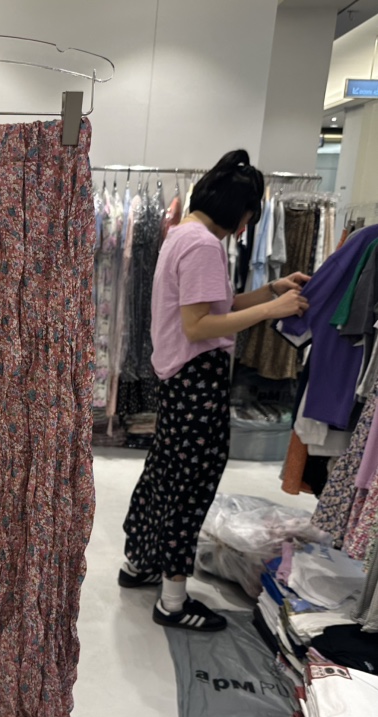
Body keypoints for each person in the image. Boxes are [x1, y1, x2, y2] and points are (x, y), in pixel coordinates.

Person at [118, 150, 310, 632]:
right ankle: (173, 602)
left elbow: (213, 305)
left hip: (179, 379)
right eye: (249, 215)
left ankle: (139, 562)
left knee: (165, 475)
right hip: (196, 380)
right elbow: (200, 325)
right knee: (191, 485)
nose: (247, 226)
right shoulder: (204, 245)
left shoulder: (184, 234)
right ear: (238, 211)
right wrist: (270, 311)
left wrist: (270, 290)